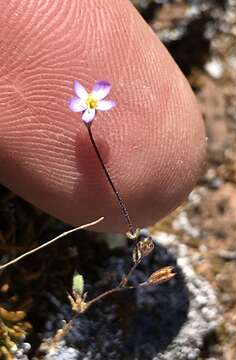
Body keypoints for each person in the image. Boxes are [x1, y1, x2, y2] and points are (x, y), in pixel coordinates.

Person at [0, 0, 205, 232]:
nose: (90, 101)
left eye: (92, 101)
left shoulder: (92, 103)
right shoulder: (87, 105)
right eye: (89, 101)